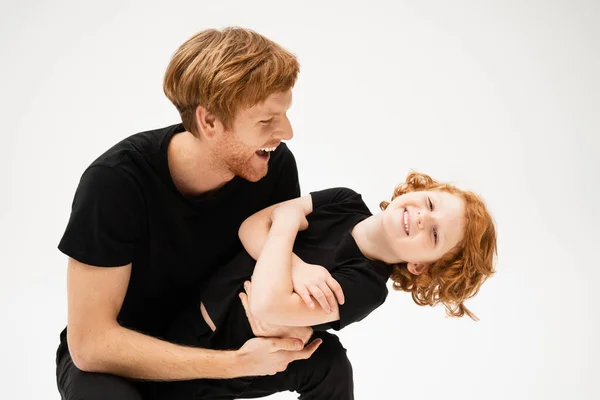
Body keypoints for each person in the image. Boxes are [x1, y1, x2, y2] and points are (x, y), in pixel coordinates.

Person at [55, 27, 348, 400]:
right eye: (266, 120)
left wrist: (284, 317)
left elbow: (270, 273)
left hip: (215, 332)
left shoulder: (273, 167)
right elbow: (91, 344)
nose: (286, 132)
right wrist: (236, 364)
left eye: (285, 113)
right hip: (119, 361)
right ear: (209, 122)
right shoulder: (114, 183)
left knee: (327, 360)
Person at [155, 171, 498, 399]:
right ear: (417, 190)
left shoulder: (366, 287)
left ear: (419, 265)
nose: (424, 217)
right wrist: (297, 267)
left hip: (221, 361)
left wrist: (285, 224)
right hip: (190, 318)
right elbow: (249, 228)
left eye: (435, 234)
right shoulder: (343, 201)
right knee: (322, 352)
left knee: (328, 360)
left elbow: (264, 304)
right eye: (430, 203)